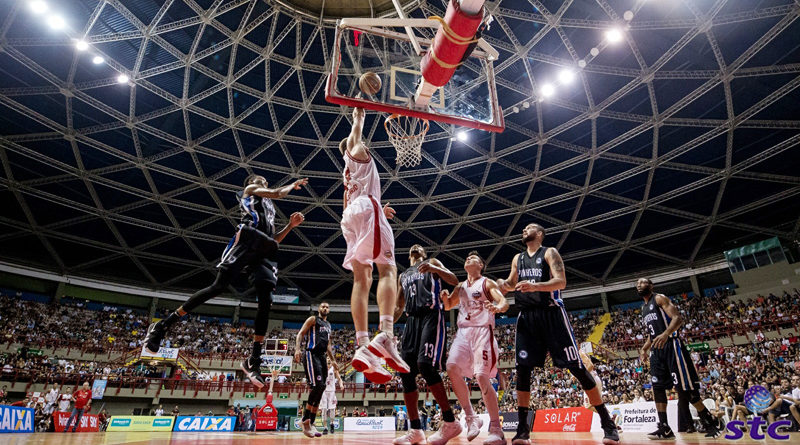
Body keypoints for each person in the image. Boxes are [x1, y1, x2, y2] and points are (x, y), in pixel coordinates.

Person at [143, 174, 308, 388]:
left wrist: (290, 226)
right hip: (247, 239)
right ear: (252, 181)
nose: (264, 180)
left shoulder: (269, 207)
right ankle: (163, 326)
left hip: (263, 247)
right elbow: (277, 193)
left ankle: (253, 360)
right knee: (217, 287)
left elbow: (274, 239)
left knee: (266, 298)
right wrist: (292, 185)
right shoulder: (250, 190)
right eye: (261, 178)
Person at [497, 223, 619, 445]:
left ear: (540, 234)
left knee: (577, 368)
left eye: (529, 228)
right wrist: (500, 286)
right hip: (527, 317)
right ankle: (522, 430)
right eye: (523, 229)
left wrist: (535, 286)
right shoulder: (518, 258)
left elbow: (561, 281)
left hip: (552, 314)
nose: (524, 230)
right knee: (523, 370)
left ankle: (607, 423)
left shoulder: (549, 252)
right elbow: (510, 283)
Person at [339, 106, 409, 382]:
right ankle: (387, 335)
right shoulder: (355, 150)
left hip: (351, 216)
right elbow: (356, 130)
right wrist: (360, 111)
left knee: (361, 278)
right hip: (366, 210)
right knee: (388, 269)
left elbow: (354, 202)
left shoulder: (349, 172)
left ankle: (363, 346)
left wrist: (379, 210)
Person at [436, 251, 508, 445]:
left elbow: (503, 301)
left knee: (482, 376)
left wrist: (498, 307)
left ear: (481, 266)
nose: (469, 259)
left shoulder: (487, 283)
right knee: (451, 367)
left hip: (482, 332)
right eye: (467, 258)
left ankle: (496, 429)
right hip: (463, 333)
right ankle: (470, 417)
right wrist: (444, 298)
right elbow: (450, 305)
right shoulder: (460, 286)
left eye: (474, 258)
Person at [637, 278, 723, 439]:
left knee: (684, 389)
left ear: (651, 286)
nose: (639, 285)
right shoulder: (643, 309)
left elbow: (677, 318)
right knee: (657, 387)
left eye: (642, 283)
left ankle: (710, 420)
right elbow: (652, 334)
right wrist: (644, 348)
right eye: (637, 284)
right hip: (656, 350)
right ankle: (664, 428)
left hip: (672, 346)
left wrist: (666, 334)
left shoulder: (659, 298)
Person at [393, 244, 459, 445]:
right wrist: (387, 324)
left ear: (424, 253)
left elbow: (454, 280)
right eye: (412, 247)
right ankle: (415, 430)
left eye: (420, 246)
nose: (415, 246)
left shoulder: (432, 263)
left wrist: (436, 269)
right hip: (411, 321)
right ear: (409, 255)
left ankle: (450, 421)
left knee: (425, 365)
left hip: (431, 316)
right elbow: (398, 305)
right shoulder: (403, 276)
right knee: (405, 371)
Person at [294, 301, 336, 438]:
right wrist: (297, 349)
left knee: (322, 387)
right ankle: (306, 421)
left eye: (327, 307)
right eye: (323, 306)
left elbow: (329, 345)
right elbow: (300, 333)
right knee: (317, 386)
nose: (325, 308)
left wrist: (334, 360)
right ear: (319, 309)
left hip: (322, 356)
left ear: (329, 310)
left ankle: (310, 422)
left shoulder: (329, 325)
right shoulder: (313, 319)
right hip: (311, 354)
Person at [320, 361, 343, 435]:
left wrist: (341, 385)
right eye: (327, 362)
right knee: (324, 410)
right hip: (324, 391)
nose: (328, 363)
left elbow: (339, 378)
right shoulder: (321, 368)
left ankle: (332, 424)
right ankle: (325, 428)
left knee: (332, 409)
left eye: (329, 362)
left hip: (332, 391)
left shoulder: (333, 369)